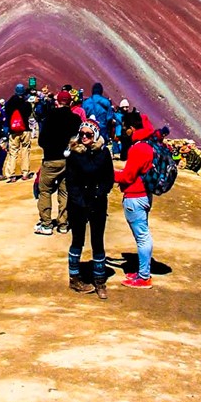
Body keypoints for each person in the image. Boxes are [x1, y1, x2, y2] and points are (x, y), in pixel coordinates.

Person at [65, 120, 115, 299]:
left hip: (98, 202)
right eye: (82, 134)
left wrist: (99, 193)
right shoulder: (74, 154)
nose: (84, 137)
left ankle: (99, 280)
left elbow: (109, 178)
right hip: (78, 203)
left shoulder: (104, 153)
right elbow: (70, 182)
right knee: (77, 239)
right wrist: (79, 201)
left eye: (88, 134)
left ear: (96, 136)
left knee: (97, 240)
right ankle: (75, 278)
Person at [115, 115, 157, 288]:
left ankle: (144, 277)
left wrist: (108, 173)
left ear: (132, 127)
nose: (125, 131)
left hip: (135, 196)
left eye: (126, 127)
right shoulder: (150, 145)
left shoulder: (138, 149)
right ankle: (142, 271)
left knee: (142, 237)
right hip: (145, 194)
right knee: (143, 234)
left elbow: (128, 176)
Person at [35, 90, 81, 236]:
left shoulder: (49, 118)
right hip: (69, 161)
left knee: (45, 190)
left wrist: (50, 148)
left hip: (50, 160)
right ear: (70, 103)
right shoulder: (75, 119)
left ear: (57, 102)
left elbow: (41, 141)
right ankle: (63, 224)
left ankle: (46, 224)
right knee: (64, 191)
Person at [3, 83, 34, 182]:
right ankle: (25, 173)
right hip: (25, 129)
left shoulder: (9, 103)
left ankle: (11, 175)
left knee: (13, 152)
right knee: (25, 151)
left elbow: (6, 113)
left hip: (13, 131)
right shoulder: (26, 103)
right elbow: (29, 113)